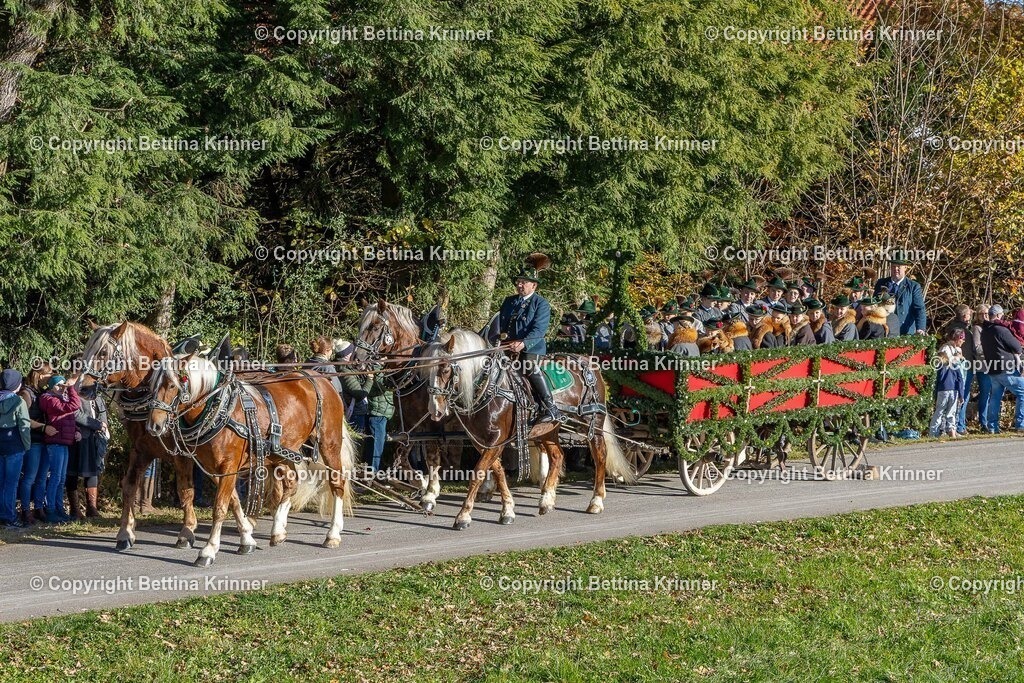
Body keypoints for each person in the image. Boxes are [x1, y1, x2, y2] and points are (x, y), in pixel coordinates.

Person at [488, 253, 562, 423]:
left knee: (529, 367)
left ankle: (551, 407)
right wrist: (493, 340)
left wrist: (523, 344)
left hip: (531, 348)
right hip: (506, 346)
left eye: (524, 282)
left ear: (534, 285)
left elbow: (539, 330)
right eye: (518, 282)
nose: (519, 285)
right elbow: (499, 324)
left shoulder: (541, 304)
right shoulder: (509, 301)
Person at [38, 374, 81, 523]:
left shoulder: (62, 399)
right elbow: (74, 406)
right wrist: (70, 388)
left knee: (61, 479)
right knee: (55, 477)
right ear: (51, 386)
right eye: (58, 385)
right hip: (55, 442)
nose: (61, 388)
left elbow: (70, 416)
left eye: (63, 385)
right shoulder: (48, 399)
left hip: (64, 442)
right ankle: (50, 510)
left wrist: (77, 431)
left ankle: (59, 508)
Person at [66, 381, 109, 520]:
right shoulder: (73, 394)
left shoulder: (97, 396)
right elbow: (76, 415)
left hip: (94, 439)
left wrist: (103, 427)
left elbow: (102, 414)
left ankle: (92, 508)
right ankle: (75, 509)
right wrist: (97, 425)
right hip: (77, 437)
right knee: (72, 472)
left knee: (93, 472)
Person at [341, 365, 395, 472]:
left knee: (373, 443)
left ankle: (369, 470)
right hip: (377, 410)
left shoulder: (377, 366)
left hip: (379, 409)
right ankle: (372, 473)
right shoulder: (376, 367)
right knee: (375, 445)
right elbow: (384, 387)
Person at [980, 305, 1024, 433]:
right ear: (998, 315)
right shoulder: (1001, 330)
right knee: (1022, 393)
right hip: (1006, 369)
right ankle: (1021, 424)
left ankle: (992, 426)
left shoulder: (985, 331)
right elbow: (1017, 347)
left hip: (992, 369)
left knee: (995, 397)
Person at [18, 361, 52, 524]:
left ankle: (39, 508)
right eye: (49, 374)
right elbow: (24, 419)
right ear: (40, 375)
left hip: (45, 440)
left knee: (42, 477)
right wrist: (44, 427)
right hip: (33, 441)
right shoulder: (26, 393)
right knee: (29, 477)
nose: (50, 377)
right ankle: (25, 510)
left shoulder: (42, 392)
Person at [0, 369, 31, 528]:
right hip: (14, 446)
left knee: (1, 482)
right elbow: (24, 426)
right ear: (16, 385)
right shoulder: (19, 402)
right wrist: (27, 446)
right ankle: (10, 517)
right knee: (11, 484)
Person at [873, 252, 927, 335]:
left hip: (905, 331)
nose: (896, 269)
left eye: (899, 266)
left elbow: (919, 309)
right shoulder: (881, 283)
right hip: (883, 330)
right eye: (893, 266)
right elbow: (874, 305)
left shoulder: (913, 286)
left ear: (905, 267)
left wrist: (920, 328)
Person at [929, 329, 966, 438]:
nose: (963, 341)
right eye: (962, 339)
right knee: (942, 410)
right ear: (956, 338)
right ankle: (938, 431)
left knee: (952, 411)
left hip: (953, 385)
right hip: (948, 385)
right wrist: (957, 358)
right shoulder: (945, 348)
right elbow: (944, 363)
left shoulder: (957, 349)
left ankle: (951, 430)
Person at [969, 305, 992, 433]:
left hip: (994, 366)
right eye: (981, 314)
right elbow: (977, 348)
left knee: (994, 394)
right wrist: (992, 351)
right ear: (977, 315)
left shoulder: (992, 327)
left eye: (987, 314)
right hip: (983, 366)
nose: (984, 316)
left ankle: (992, 420)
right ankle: (983, 423)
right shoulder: (977, 328)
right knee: (985, 393)